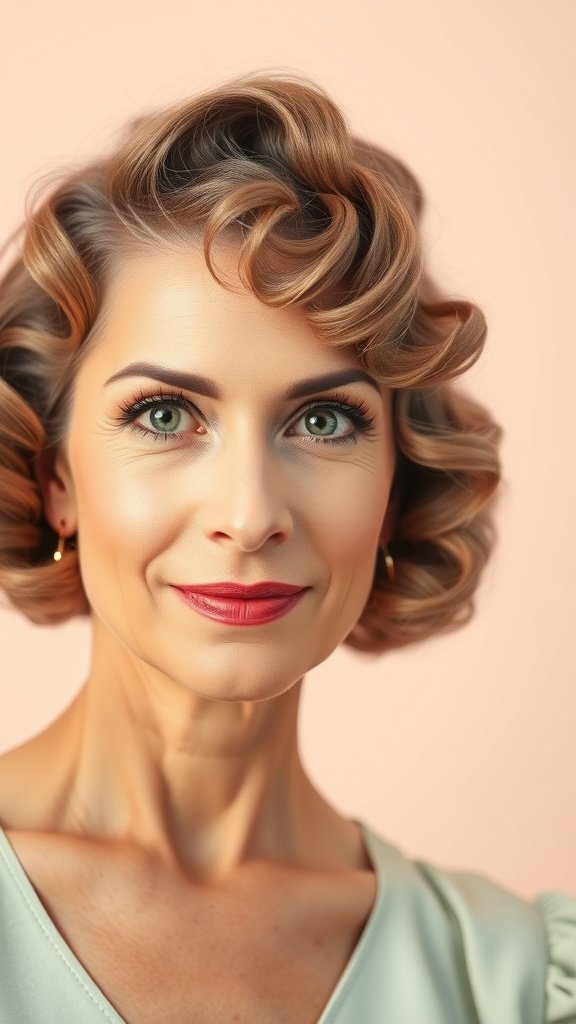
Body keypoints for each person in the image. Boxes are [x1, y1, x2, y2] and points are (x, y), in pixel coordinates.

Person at [0, 69, 573, 1024]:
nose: (250, 512)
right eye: (165, 412)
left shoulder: (507, 980)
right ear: (57, 475)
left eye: (324, 422)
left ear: (396, 486)